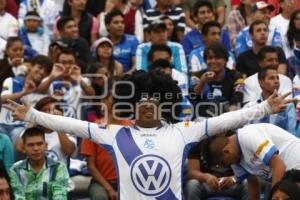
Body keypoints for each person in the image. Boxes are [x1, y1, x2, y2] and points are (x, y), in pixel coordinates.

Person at [4, 69, 294, 199]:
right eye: (139, 101)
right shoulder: (114, 134)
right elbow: (71, 125)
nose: (145, 106)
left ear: (162, 105)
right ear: (131, 105)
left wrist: (265, 106)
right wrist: (31, 115)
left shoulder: (184, 132)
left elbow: (226, 119)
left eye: (152, 101)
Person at [208, 123, 300, 200]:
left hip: (296, 164)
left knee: (278, 195)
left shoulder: (248, 136)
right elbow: (252, 183)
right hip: (284, 175)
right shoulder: (234, 158)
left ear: (226, 152)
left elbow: (279, 165)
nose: (226, 166)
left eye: (223, 163)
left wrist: (273, 196)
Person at [0, 55, 52, 145]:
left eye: (46, 71)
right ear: (31, 66)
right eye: (39, 67)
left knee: (19, 135)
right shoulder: (11, 81)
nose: (42, 72)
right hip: (2, 124)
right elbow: (3, 99)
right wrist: (24, 92)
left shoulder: (44, 92)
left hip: (21, 128)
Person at [9, 127, 69, 199]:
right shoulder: (15, 169)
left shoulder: (58, 168)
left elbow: (60, 196)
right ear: (24, 148)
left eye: (39, 144)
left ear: (46, 146)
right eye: (31, 145)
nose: (36, 148)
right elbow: (18, 196)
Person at [186, 136, 248, 200]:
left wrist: (234, 178)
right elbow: (192, 172)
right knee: (192, 184)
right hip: (207, 185)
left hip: (233, 184)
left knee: (248, 181)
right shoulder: (199, 142)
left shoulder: (235, 140)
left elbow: (249, 169)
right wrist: (206, 177)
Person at [191, 43, 244, 117]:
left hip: (228, 116)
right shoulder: (197, 76)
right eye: (210, 58)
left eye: (218, 58)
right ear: (205, 61)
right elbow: (193, 97)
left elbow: (237, 102)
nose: (213, 61)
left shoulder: (236, 76)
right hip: (202, 118)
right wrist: (202, 82)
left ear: (226, 60)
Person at [244, 67, 296, 134]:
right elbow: (246, 133)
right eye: (271, 78)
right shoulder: (250, 106)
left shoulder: (288, 105)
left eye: (277, 78)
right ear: (261, 83)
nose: (276, 81)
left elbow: (291, 133)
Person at [105, 9, 139, 73]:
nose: (120, 25)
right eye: (116, 22)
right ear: (108, 26)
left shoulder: (132, 40)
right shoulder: (103, 43)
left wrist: (125, 76)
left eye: (122, 22)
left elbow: (136, 65)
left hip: (128, 78)